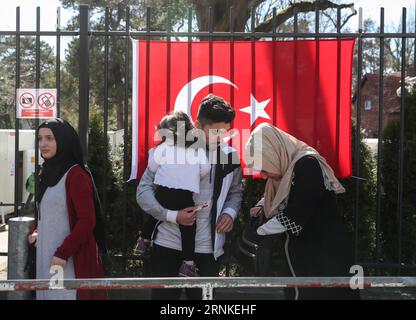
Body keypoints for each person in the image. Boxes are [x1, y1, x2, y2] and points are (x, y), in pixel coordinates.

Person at [137, 94, 243, 300]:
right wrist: (171, 215)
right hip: (168, 243)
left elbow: (236, 192)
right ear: (197, 124)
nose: (221, 137)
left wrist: (230, 213)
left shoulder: (230, 156)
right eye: (215, 131)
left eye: (225, 131)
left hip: (208, 248)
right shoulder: (168, 149)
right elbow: (143, 192)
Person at [244, 123, 360, 300]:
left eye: (264, 168)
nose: (264, 175)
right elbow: (280, 192)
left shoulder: (308, 164)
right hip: (304, 256)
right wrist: (262, 205)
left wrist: (260, 231)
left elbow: (298, 209)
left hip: (324, 255)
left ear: (274, 155)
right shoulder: (287, 167)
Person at [28, 118, 107, 300]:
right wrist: (38, 232)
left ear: (63, 140)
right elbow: (51, 213)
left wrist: (62, 253)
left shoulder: (75, 174)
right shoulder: (46, 173)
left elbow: (87, 221)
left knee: (62, 296)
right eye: (40, 139)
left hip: (66, 260)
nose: (43, 144)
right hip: (48, 256)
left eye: (49, 138)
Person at [135, 111, 211, 277]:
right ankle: (188, 264)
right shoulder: (197, 150)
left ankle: (144, 240)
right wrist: (194, 175)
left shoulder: (162, 148)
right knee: (189, 228)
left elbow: (152, 167)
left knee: (155, 215)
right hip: (185, 196)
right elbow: (206, 169)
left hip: (163, 191)